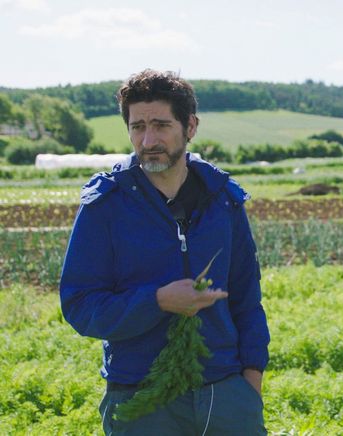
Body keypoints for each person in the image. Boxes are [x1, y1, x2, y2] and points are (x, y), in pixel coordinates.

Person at [60, 69, 270, 435]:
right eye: (137, 127)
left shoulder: (223, 201)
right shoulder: (105, 205)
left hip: (225, 394)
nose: (148, 139)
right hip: (141, 398)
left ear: (190, 126)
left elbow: (247, 297)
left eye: (160, 125)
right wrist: (156, 301)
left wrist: (250, 383)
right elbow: (79, 304)